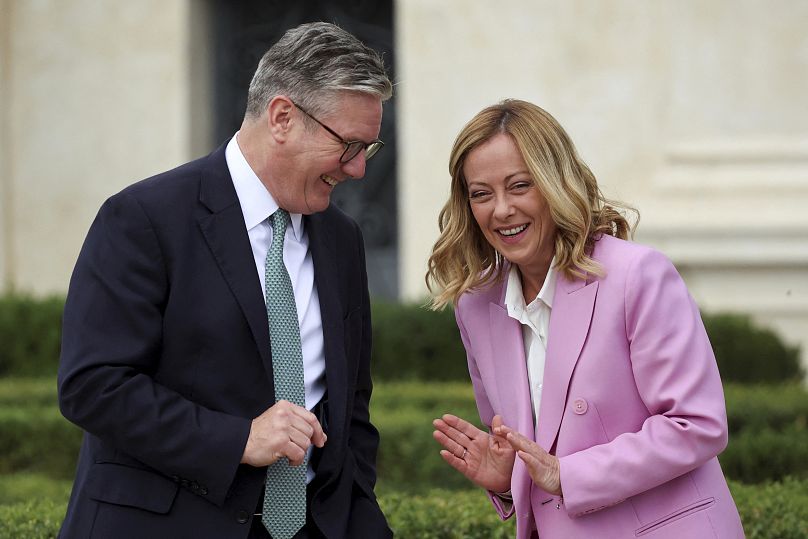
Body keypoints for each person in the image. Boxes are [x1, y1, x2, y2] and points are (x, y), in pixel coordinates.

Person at [57, 22, 393, 539]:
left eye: (366, 150)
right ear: (283, 117)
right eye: (348, 146)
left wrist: (356, 514)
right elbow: (93, 385)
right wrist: (239, 439)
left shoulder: (341, 239)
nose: (357, 171)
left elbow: (351, 409)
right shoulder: (143, 218)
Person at [426, 99, 744, 538]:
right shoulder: (477, 305)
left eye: (519, 185)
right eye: (481, 193)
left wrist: (570, 476)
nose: (501, 209)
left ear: (555, 183)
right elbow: (534, 457)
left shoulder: (638, 275)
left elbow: (698, 424)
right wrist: (508, 480)